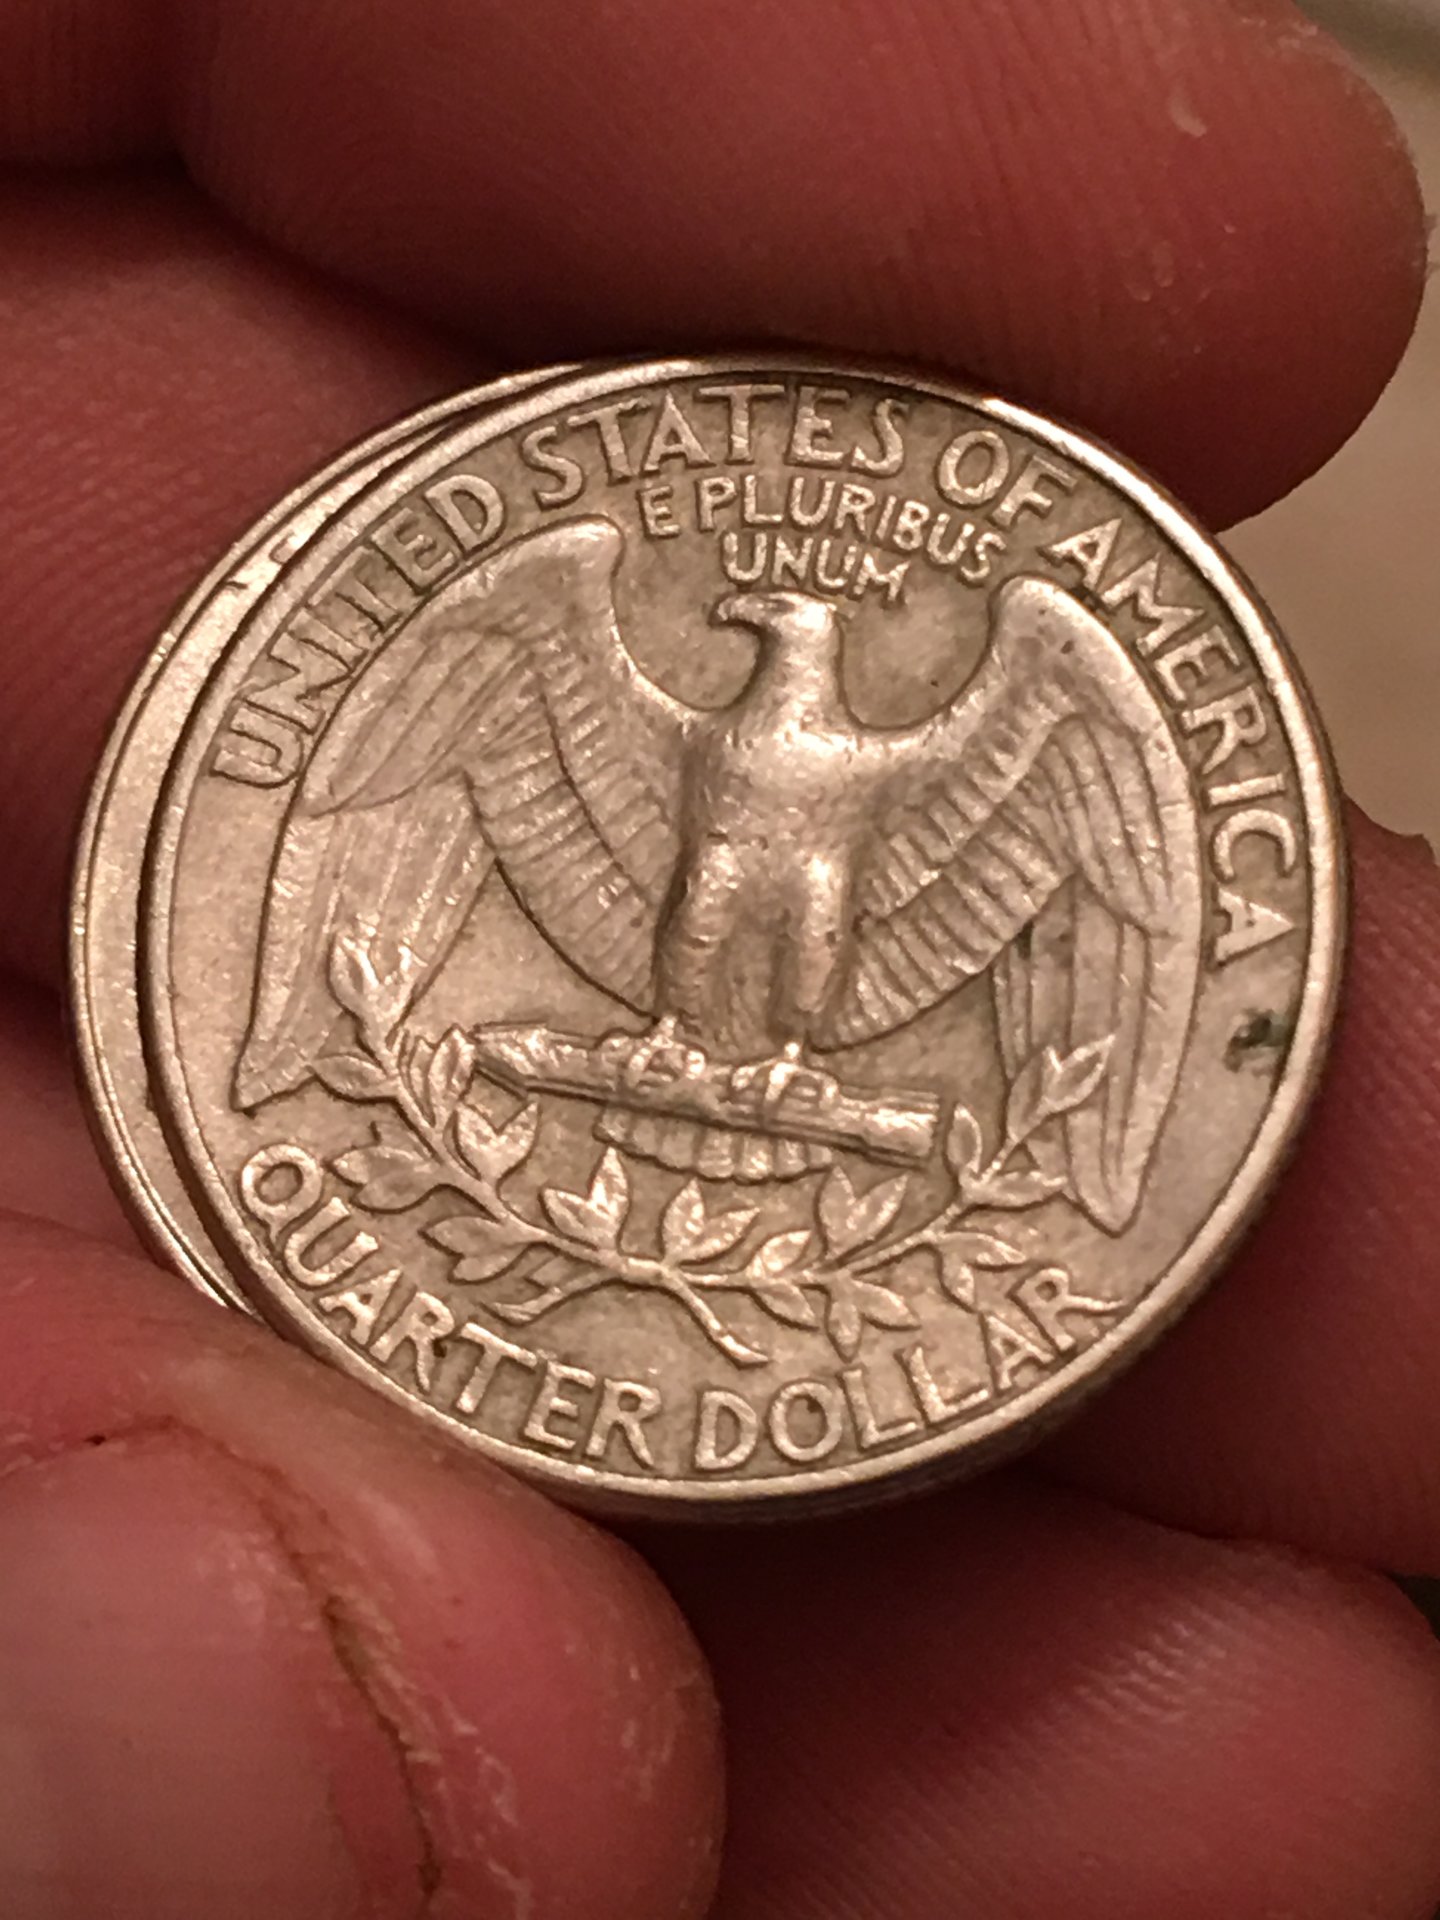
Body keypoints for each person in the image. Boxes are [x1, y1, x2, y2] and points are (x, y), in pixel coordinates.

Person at [1, 2, 1438, 1915]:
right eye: (756, 611)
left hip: (815, 1031)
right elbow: (405, 776)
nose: (766, 618)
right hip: (664, 1017)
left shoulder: (1006, 720)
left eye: (787, 619)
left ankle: (761, 1071)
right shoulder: (585, 660)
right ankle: (699, 1057)